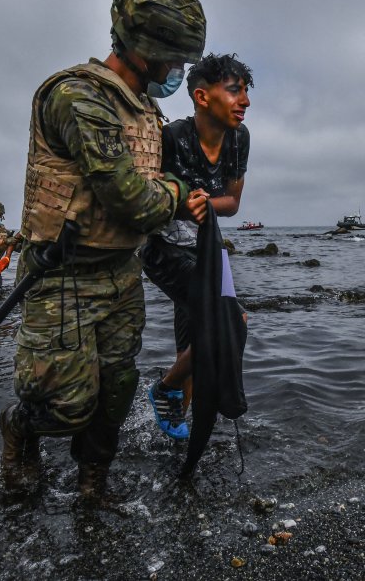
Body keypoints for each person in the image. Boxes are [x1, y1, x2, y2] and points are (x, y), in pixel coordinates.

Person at [0, 0, 205, 500]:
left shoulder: (148, 114)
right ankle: (19, 430)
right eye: (175, 60)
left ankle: (94, 484)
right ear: (142, 47)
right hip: (61, 278)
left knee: (115, 391)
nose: (178, 70)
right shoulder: (78, 98)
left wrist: (176, 195)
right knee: (64, 403)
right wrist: (180, 196)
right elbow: (133, 199)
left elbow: (150, 188)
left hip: (120, 273)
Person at [140, 53, 253, 439]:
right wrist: (178, 203)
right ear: (203, 97)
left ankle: (177, 423)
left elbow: (233, 204)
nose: (245, 102)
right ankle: (165, 388)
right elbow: (150, 197)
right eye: (235, 91)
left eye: (246, 93)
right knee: (231, 322)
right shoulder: (171, 137)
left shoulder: (239, 138)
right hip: (165, 250)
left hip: (209, 250)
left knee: (192, 340)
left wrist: (201, 204)